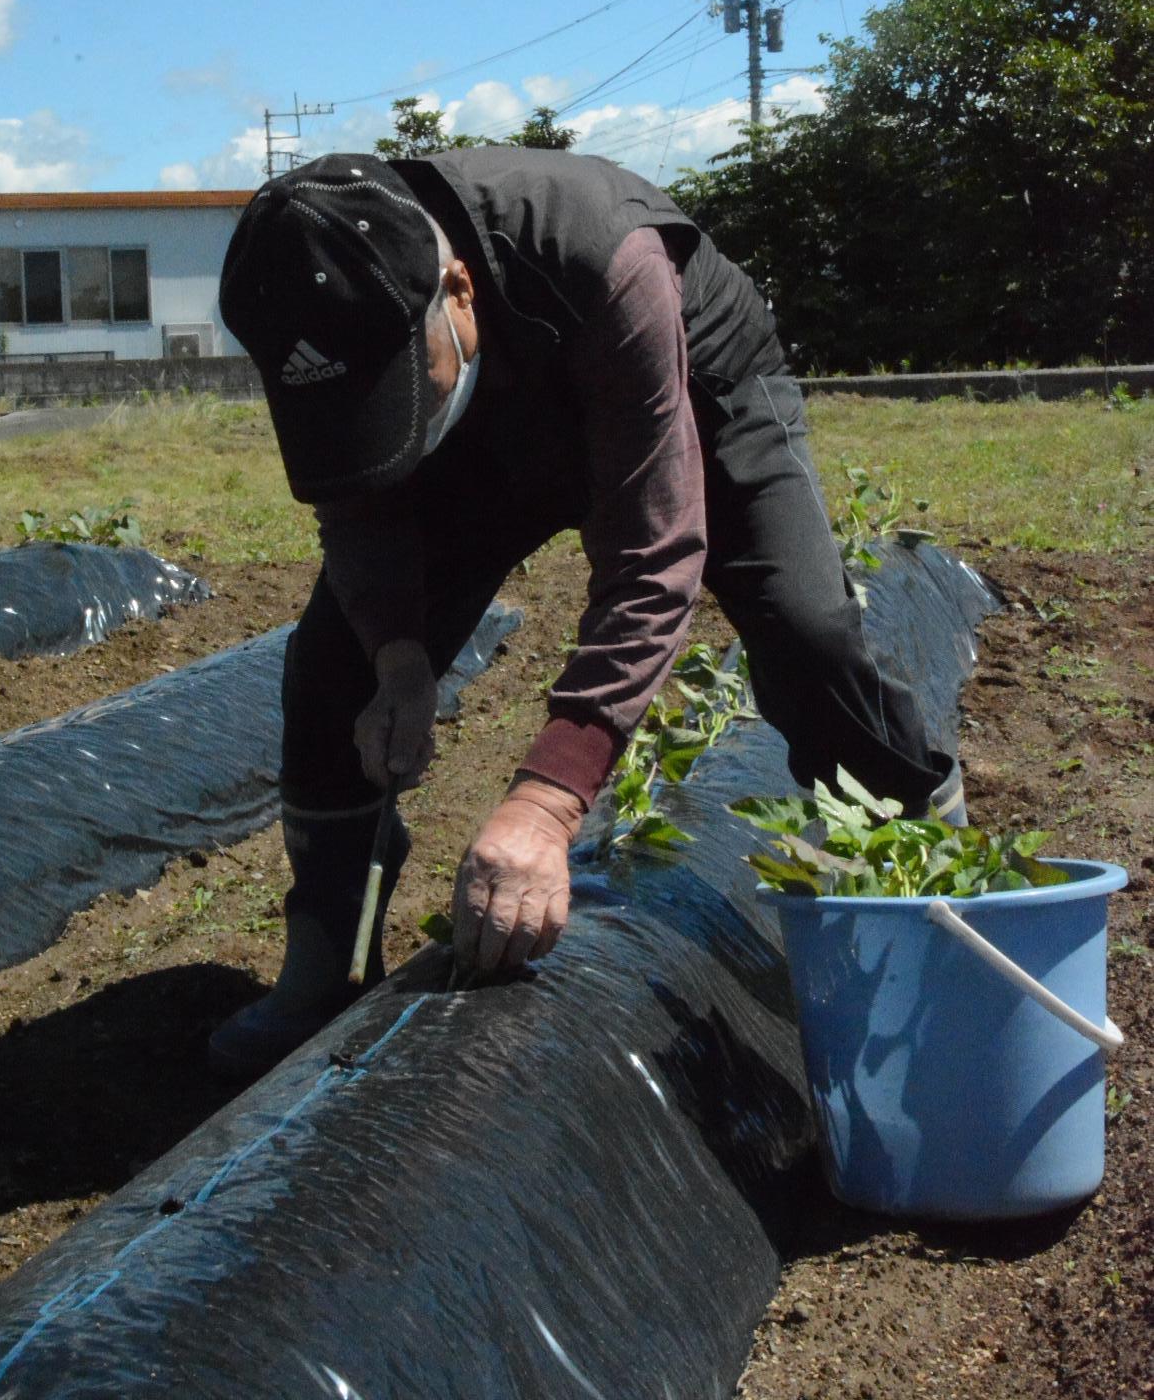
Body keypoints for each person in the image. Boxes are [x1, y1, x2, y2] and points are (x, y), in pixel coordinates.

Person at [210, 146, 961, 1078]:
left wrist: (546, 800)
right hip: (484, 432)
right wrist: (397, 656)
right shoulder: (314, 297)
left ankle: (925, 881)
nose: (380, 415)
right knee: (332, 669)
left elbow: (654, 554)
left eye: (401, 386)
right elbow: (357, 499)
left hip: (693, 382)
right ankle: (324, 967)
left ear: (457, 290)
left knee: (802, 625)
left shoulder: (597, 252)